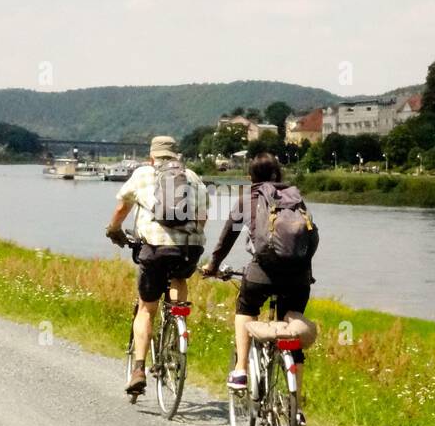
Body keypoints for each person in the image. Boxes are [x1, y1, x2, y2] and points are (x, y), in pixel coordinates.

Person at [201, 152, 319, 391]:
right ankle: (295, 408)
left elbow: (227, 238)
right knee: (291, 330)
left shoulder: (248, 199)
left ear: (249, 176)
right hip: (298, 277)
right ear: (278, 173)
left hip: (262, 273)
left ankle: (241, 370)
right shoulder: (295, 198)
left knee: (246, 307)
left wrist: (212, 266)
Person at [106, 135, 208, 395]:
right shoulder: (194, 178)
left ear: (152, 156)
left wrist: (113, 229)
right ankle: (177, 327)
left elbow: (121, 209)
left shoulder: (143, 174)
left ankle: (139, 369)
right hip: (190, 249)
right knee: (179, 279)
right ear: (177, 156)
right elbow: (203, 217)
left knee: (146, 309)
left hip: (155, 248)